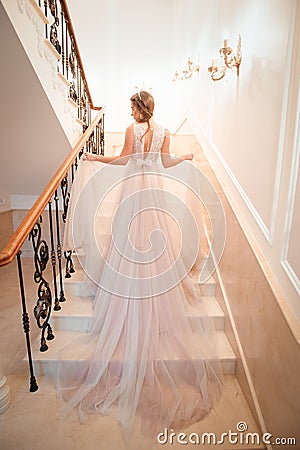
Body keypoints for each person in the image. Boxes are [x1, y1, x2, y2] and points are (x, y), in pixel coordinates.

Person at [57, 91, 224, 441]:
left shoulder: (133, 129)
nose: (130, 111)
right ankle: (156, 296)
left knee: (129, 244)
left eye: (131, 106)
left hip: (132, 192)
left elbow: (123, 160)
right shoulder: (163, 130)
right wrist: (186, 157)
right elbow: (166, 163)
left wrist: (97, 159)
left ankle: (129, 293)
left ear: (137, 108)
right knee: (157, 244)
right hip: (154, 193)